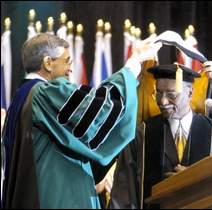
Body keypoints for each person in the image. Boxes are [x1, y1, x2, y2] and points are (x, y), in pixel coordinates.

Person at [1, 33, 162, 208]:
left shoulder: (20, 98)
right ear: (48, 63)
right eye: (67, 61)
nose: (71, 69)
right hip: (57, 197)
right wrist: (133, 65)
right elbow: (98, 109)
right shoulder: (44, 93)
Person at [107, 62, 212, 209]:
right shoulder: (142, 134)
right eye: (158, 93)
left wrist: (196, 177)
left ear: (190, 93)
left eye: (171, 95)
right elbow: (124, 193)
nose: (163, 101)